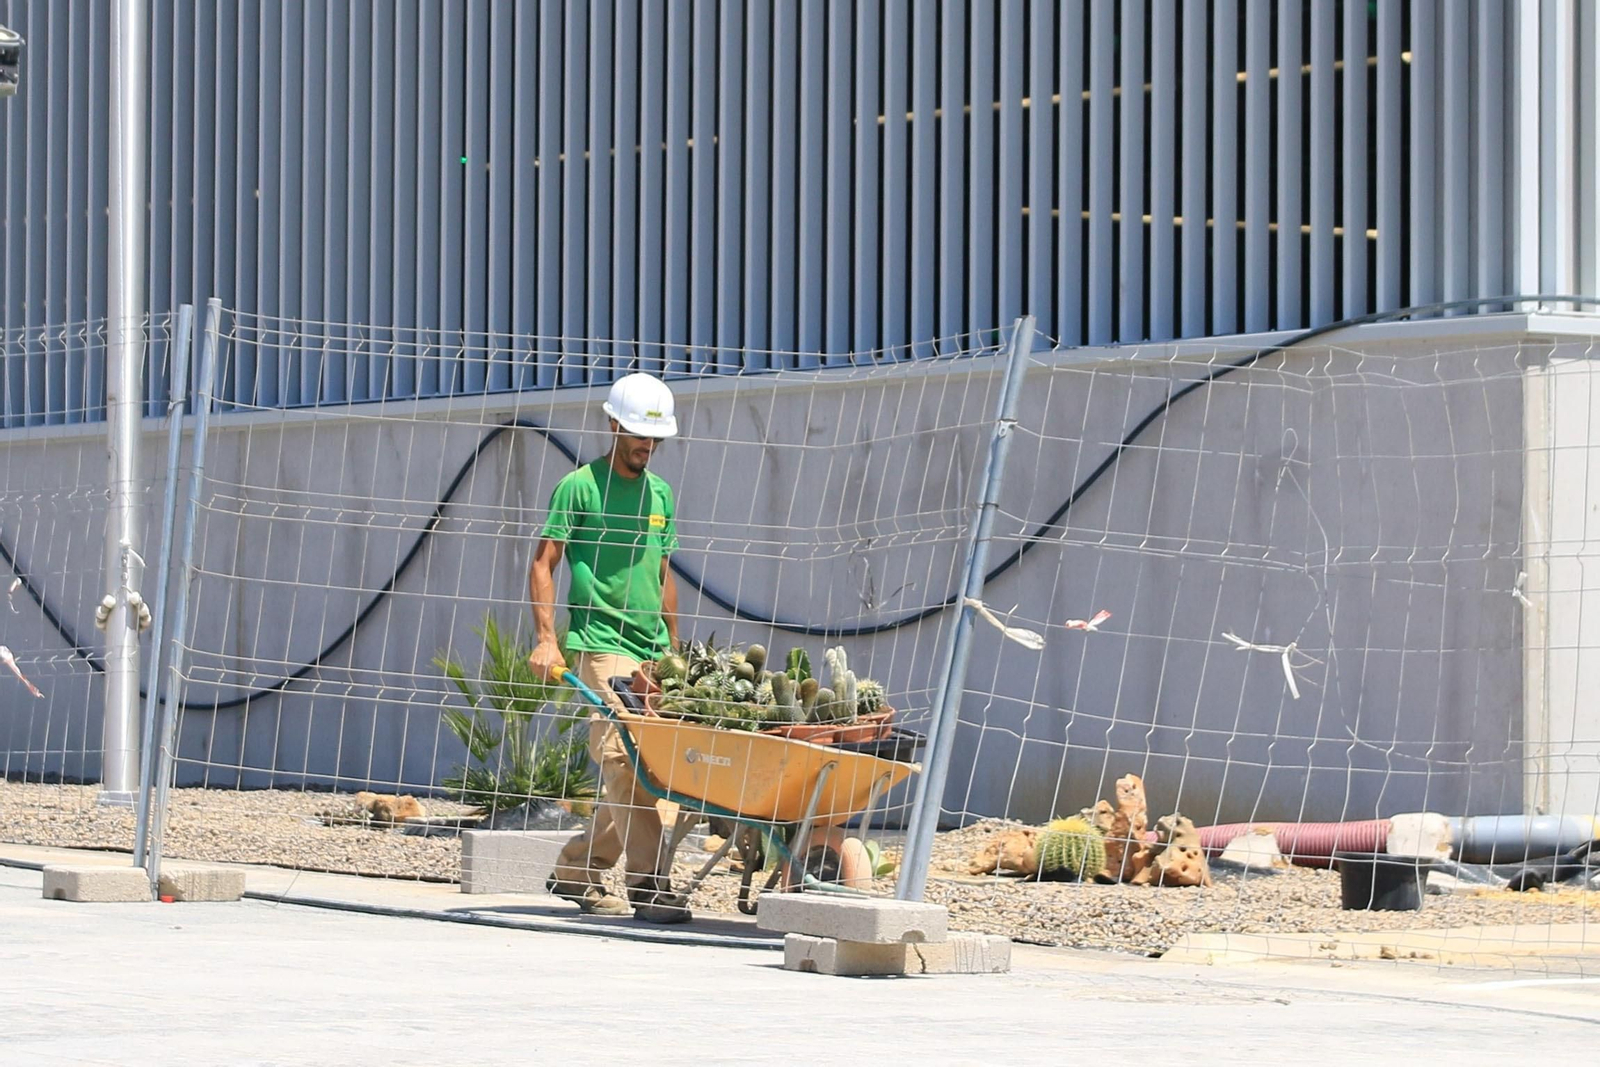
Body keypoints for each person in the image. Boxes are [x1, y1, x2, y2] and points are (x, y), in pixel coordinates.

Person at [529, 371, 695, 924]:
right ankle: (648, 886)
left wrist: (675, 649)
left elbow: (663, 570)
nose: (646, 447)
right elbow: (543, 563)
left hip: (651, 648)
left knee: (643, 767)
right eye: (637, 436)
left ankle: (578, 868)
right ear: (613, 425)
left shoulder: (661, 495)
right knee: (625, 759)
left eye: (655, 439)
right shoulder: (578, 487)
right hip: (600, 645)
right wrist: (548, 640)